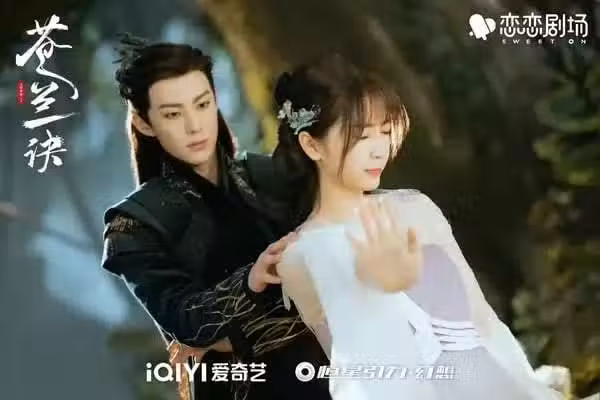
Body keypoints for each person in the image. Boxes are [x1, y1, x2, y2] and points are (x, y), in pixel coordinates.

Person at [272, 53, 565, 399]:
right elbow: (359, 376)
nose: (380, 149)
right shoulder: (301, 256)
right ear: (311, 145)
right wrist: (379, 291)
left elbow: (485, 325)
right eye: (362, 136)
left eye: (385, 132)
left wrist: (526, 388)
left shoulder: (415, 208)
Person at [101, 35, 330, 400]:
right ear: (145, 123)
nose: (195, 126)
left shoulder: (270, 175)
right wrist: (251, 281)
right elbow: (186, 320)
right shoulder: (135, 226)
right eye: (173, 114)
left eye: (202, 104)